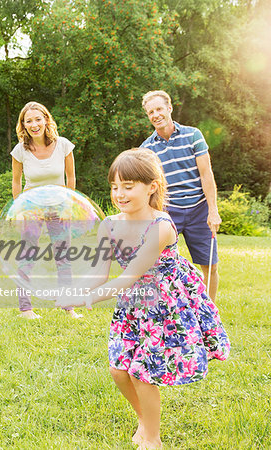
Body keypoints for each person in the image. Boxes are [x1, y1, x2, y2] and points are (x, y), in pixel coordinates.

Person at [56, 148, 230, 449]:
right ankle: (146, 421)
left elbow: (128, 277)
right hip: (132, 307)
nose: (119, 194)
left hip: (165, 307)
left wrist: (85, 301)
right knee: (119, 370)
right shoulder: (108, 225)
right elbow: (98, 274)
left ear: (151, 187)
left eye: (128, 186)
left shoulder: (160, 226)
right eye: (114, 186)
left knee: (142, 373)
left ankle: (152, 439)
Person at [140, 90, 222, 301]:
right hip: (169, 211)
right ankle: (164, 307)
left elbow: (206, 174)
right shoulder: (146, 149)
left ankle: (210, 310)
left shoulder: (193, 135)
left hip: (199, 208)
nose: (155, 114)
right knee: (157, 263)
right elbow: (148, 187)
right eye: (150, 112)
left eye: (159, 109)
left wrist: (213, 211)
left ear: (169, 108)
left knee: (209, 265)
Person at [11, 101, 82, 319]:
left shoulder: (63, 145)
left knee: (63, 257)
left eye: (37, 119)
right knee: (28, 256)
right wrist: (20, 210)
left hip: (59, 207)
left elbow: (71, 178)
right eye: (28, 121)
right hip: (32, 208)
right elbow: (16, 182)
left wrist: (69, 205)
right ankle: (25, 309)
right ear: (23, 125)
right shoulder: (20, 150)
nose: (34, 124)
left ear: (46, 120)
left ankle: (68, 307)